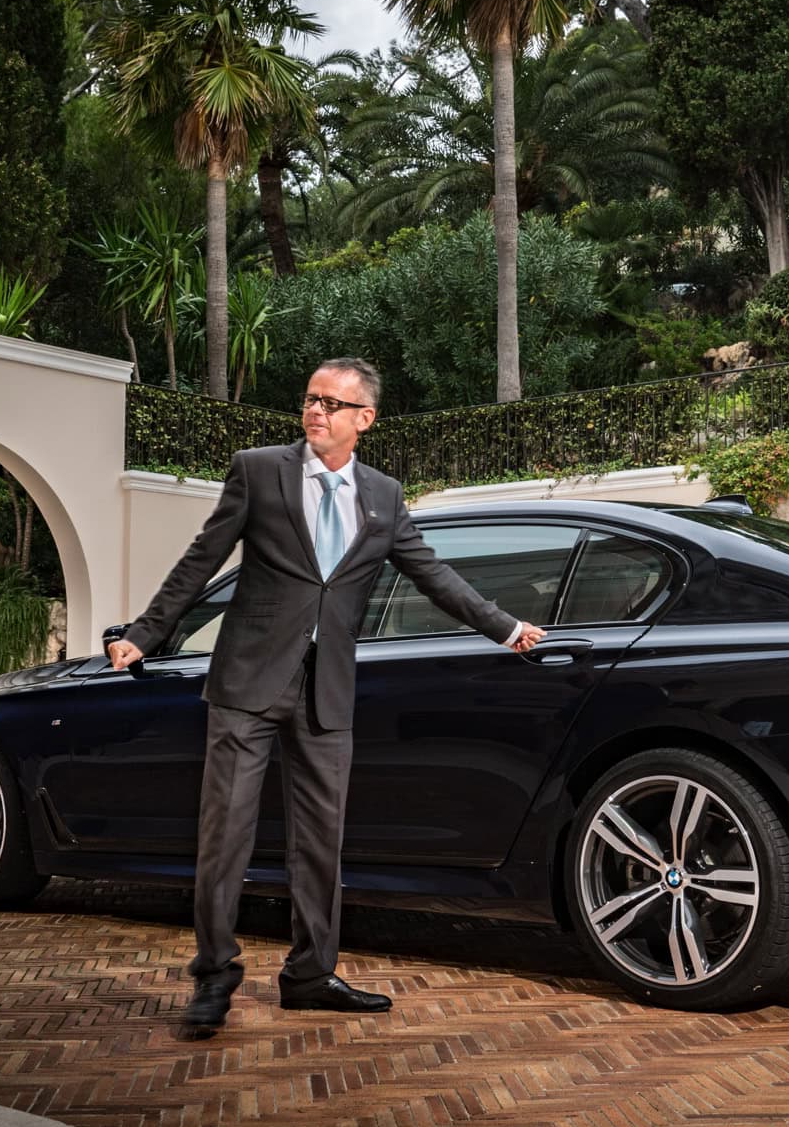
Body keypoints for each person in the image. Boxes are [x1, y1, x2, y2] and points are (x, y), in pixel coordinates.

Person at [107, 358, 546, 1032]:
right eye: (311, 398)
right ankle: (215, 976)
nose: (316, 410)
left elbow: (433, 575)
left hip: (326, 689)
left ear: (364, 418)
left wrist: (506, 627)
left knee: (320, 842)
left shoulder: (383, 496)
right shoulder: (259, 470)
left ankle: (311, 974)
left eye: (332, 403)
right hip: (249, 681)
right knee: (226, 836)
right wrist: (145, 632)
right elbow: (201, 559)